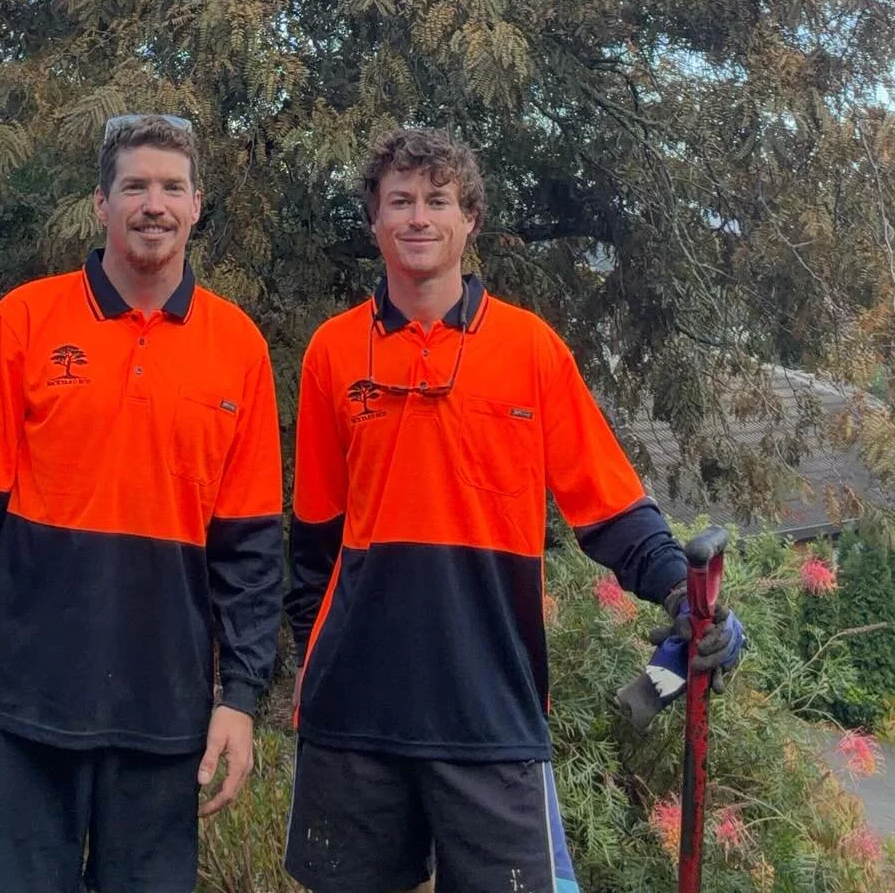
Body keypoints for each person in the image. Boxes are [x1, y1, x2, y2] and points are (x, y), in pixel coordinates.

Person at [284, 126, 742, 893]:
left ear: (470, 220)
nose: (418, 217)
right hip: (354, 711)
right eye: (399, 201)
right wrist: (312, 658)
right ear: (374, 222)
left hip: (491, 706)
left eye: (438, 200)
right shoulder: (332, 352)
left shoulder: (530, 350)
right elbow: (313, 543)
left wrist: (679, 592)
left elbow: (611, 507)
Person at [0, 113, 283, 893]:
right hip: (27, 699)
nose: (154, 203)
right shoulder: (26, 322)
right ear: (100, 204)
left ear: (197, 205)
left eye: (172, 187)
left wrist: (239, 699)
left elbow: (250, 553)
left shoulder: (238, 346)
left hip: (166, 713)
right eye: (134, 185)